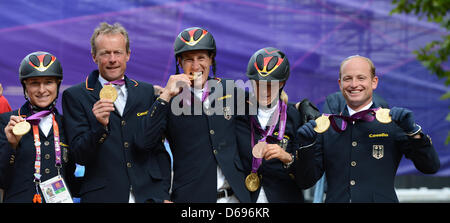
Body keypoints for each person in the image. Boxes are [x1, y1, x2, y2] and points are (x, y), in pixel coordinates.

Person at [297, 55, 440, 202]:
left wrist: (413, 132)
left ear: (374, 82)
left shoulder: (393, 123)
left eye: (361, 78)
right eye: (348, 79)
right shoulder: (327, 126)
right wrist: (306, 146)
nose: (354, 84)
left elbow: (430, 166)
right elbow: (305, 181)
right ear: (340, 84)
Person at [136, 27, 251, 203]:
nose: (196, 66)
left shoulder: (231, 90)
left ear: (211, 60)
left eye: (201, 58)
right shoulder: (167, 101)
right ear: (179, 63)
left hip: (236, 198)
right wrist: (165, 96)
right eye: (189, 59)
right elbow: (143, 143)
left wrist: (298, 105)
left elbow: (267, 106)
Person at [62, 22, 170, 203]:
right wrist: (99, 127)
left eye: (118, 52)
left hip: (150, 196)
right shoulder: (75, 96)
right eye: (105, 53)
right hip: (103, 197)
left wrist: (163, 193)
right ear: (94, 56)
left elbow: (158, 150)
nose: (112, 59)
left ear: (127, 54)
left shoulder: (146, 92)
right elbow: (79, 155)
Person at [235, 47, 318, 202]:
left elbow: (307, 180)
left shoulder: (296, 117)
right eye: (259, 83)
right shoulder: (237, 113)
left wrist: (288, 158)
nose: (264, 90)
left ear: (282, 83)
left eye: (271, 84)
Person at [0, 51, 77, 203]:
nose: (42, 90)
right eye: (35, 83)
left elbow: (73, 181)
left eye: (49, 82)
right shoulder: (6, 122)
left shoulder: (67, 124)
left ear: (58, 85)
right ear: (25, 86)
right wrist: (11, 146)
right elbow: (2, 180)